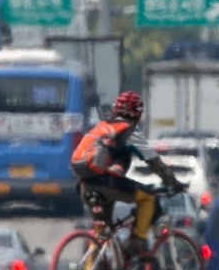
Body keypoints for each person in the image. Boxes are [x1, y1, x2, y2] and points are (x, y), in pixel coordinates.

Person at [70, 90, 187, 257]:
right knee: (149, 198)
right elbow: (155, 163)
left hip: (84, 186)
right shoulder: (129, 132)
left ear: (115, 109)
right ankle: (137, 242)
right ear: (138, 114)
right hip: (107, 184)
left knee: (103, 232)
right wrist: (174, 184)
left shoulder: (100, 127)